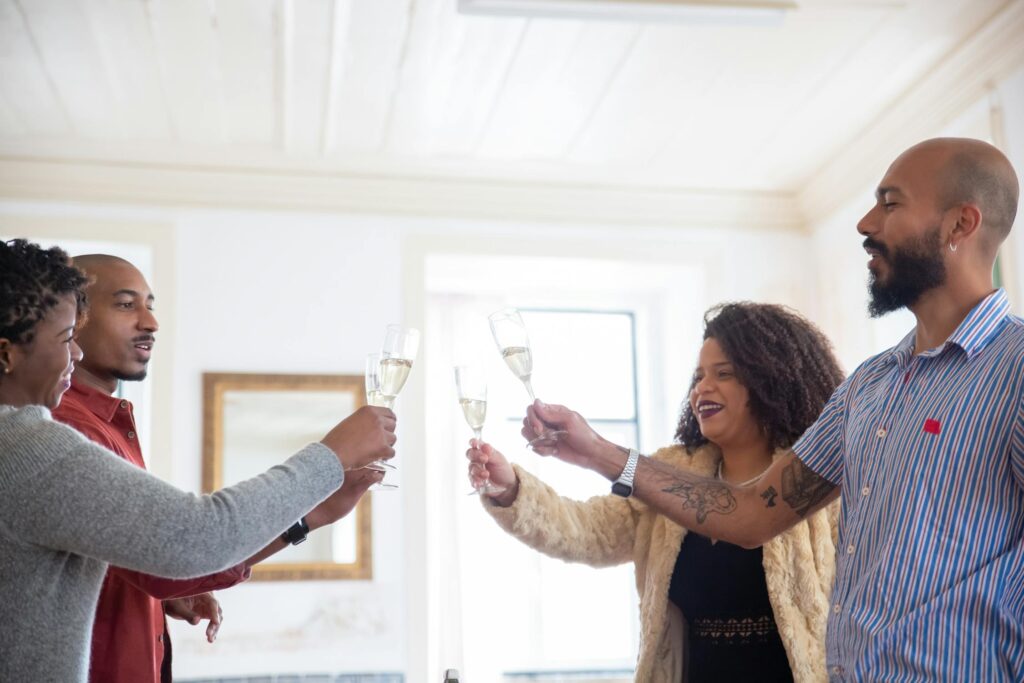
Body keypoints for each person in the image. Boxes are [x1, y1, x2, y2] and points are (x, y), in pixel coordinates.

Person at [516, 138, 1023, 680]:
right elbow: (753, 512)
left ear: (960, 225)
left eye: (890, 204)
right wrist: (600, 453)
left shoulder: (1014, 371)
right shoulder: (869, 387)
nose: (865, 223)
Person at [0, 238, 396, 683]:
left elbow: (161, 564)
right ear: (7, 353)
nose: (150, 322)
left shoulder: (79, 431)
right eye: (68, 335)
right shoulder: (37, 443)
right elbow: (194, 538)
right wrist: (330, 457)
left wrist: (159, 594)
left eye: (149, 305)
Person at [469, 302, 845, 682]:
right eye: (698, 376)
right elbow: (586, 532)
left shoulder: (819, 481)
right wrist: (511, 489)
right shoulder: (670, 472)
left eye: (724, 373)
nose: (702, 388)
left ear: (772, 380)